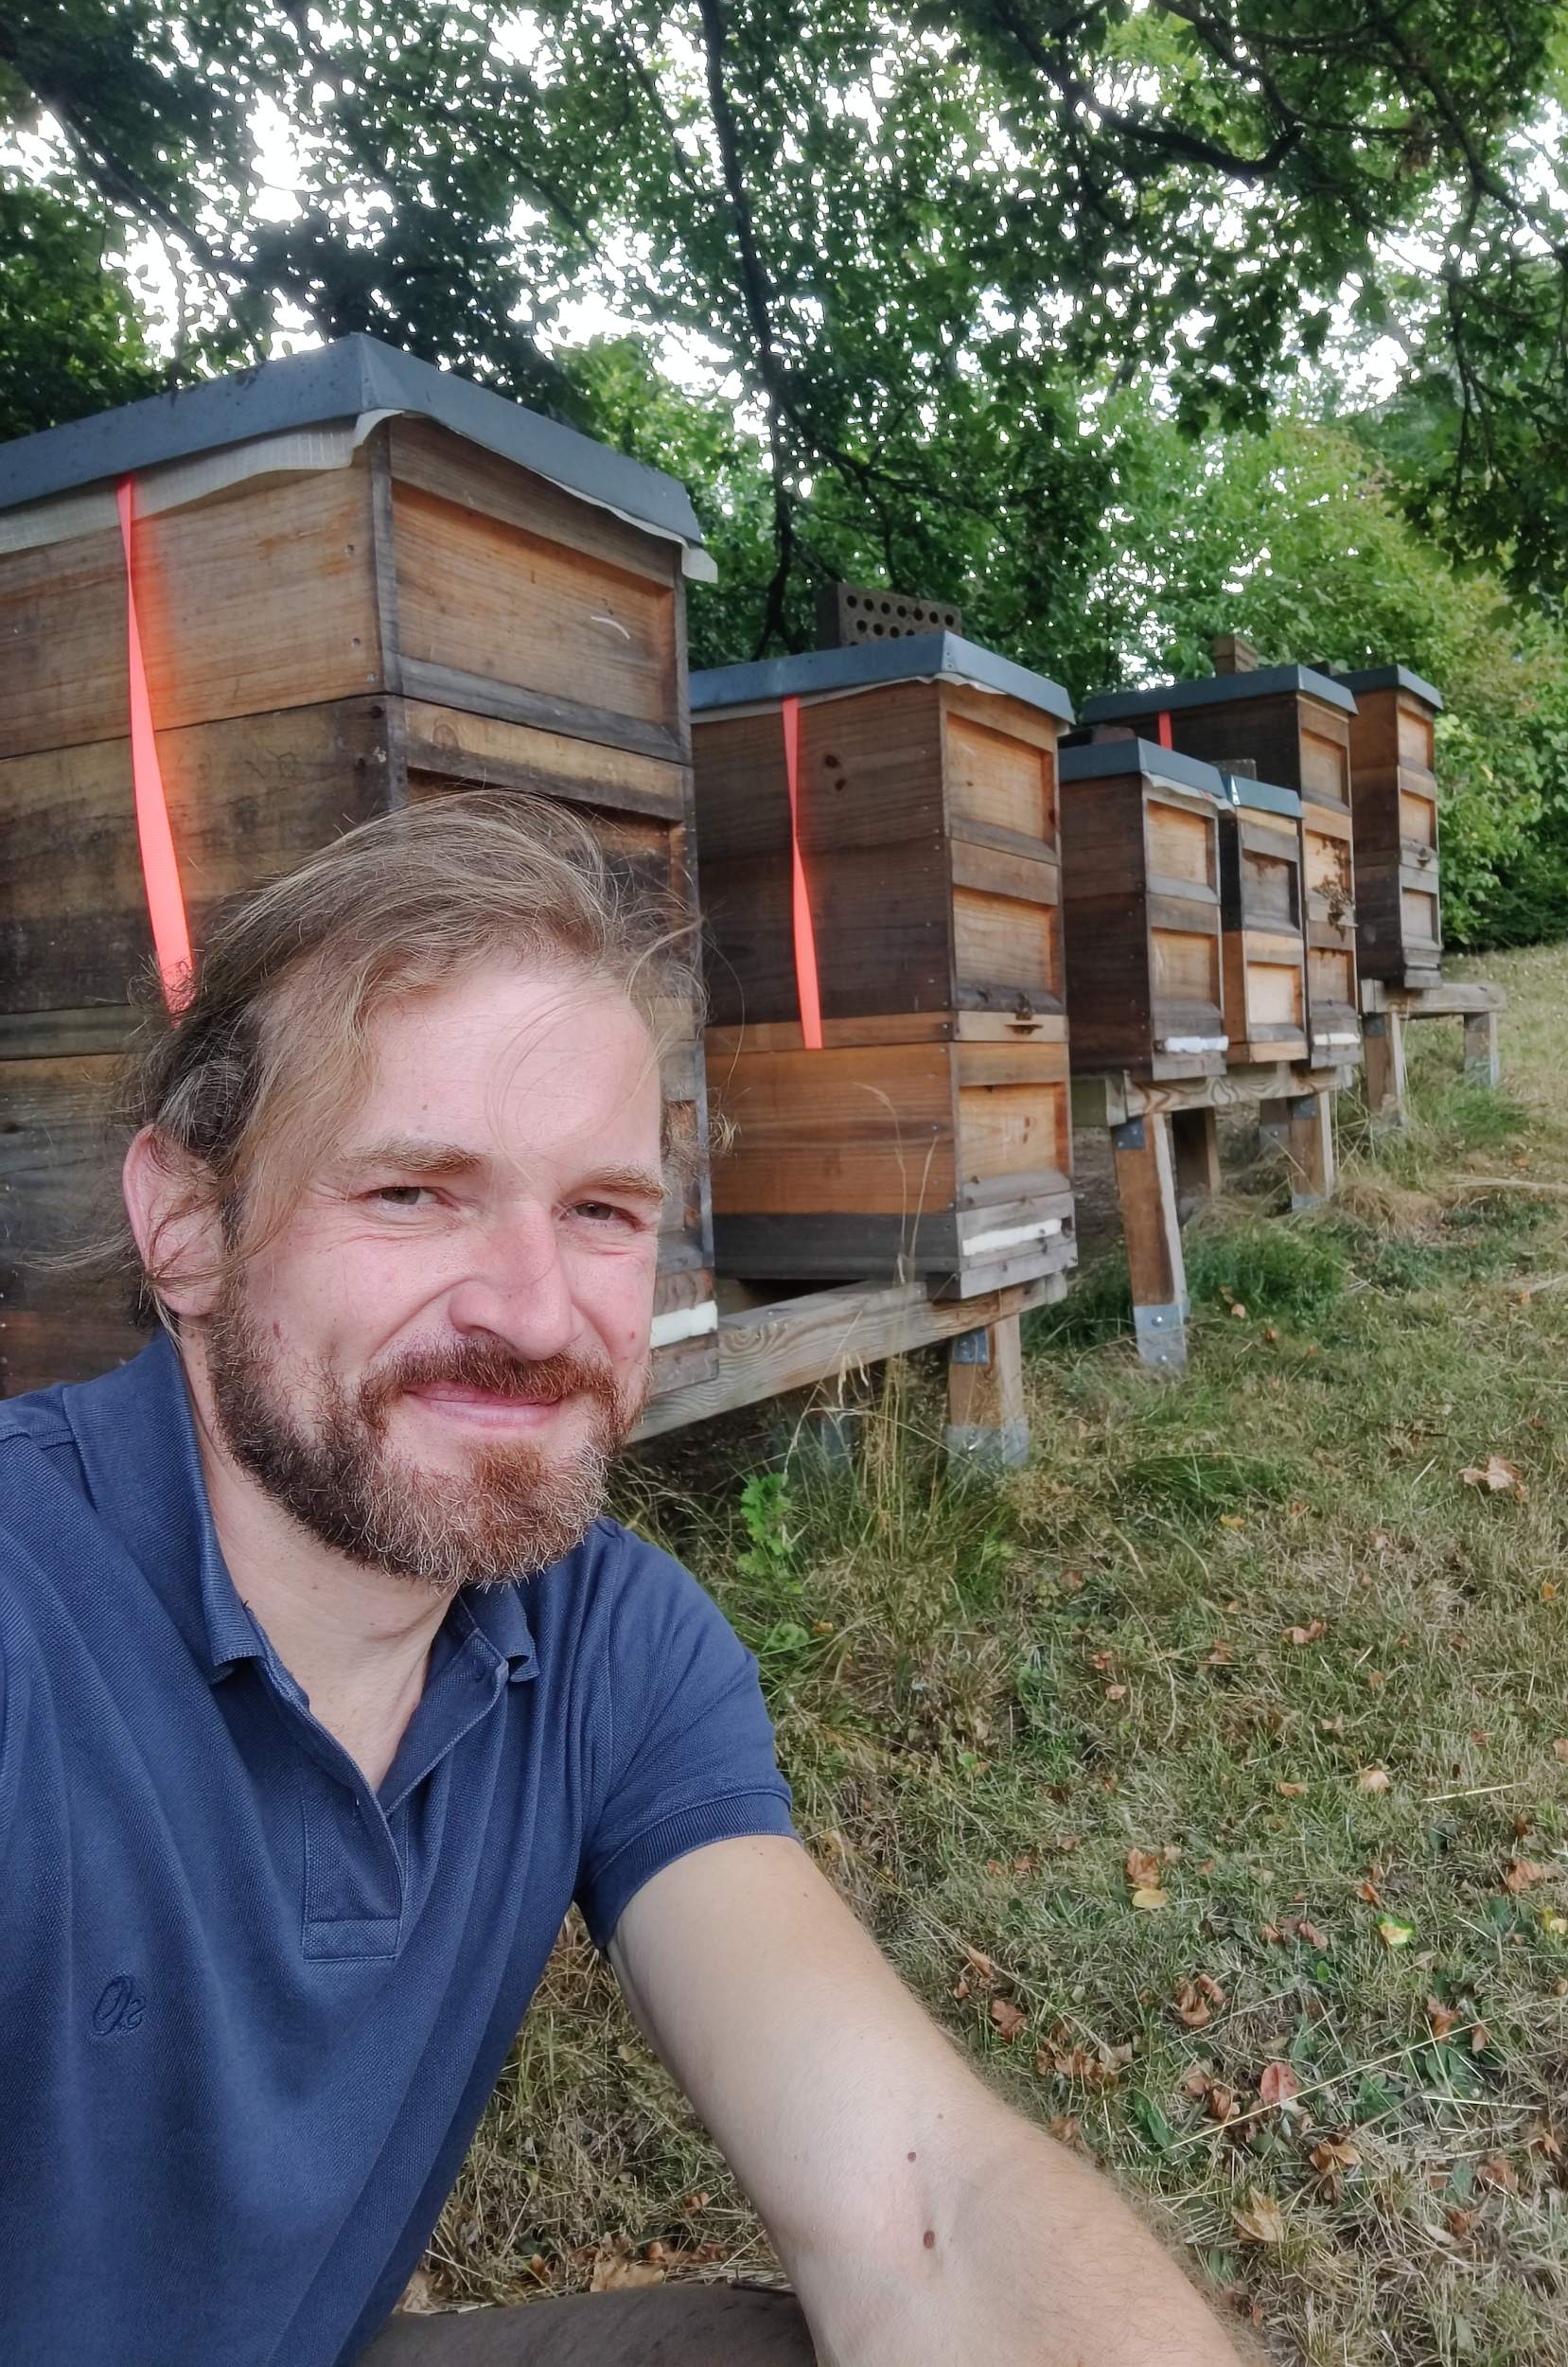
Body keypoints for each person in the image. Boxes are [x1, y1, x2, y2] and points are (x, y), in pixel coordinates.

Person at [0, 794, 1250, 2367]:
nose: (534, 1314)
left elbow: (922, 2208)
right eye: (413, 1192)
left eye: (600, 1212)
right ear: (186, 1223)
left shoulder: (610, 1643)